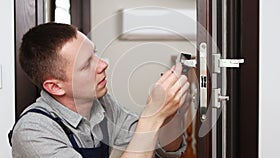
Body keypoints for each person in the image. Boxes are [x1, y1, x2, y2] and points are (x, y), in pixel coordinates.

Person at [9, 22, 190, 158]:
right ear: (55, 86)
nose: (103, 64)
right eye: (87, 64)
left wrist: (174, 114)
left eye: (94, 53)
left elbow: (158, 146)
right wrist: (152, 117)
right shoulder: (32, 134)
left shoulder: (101, 104)